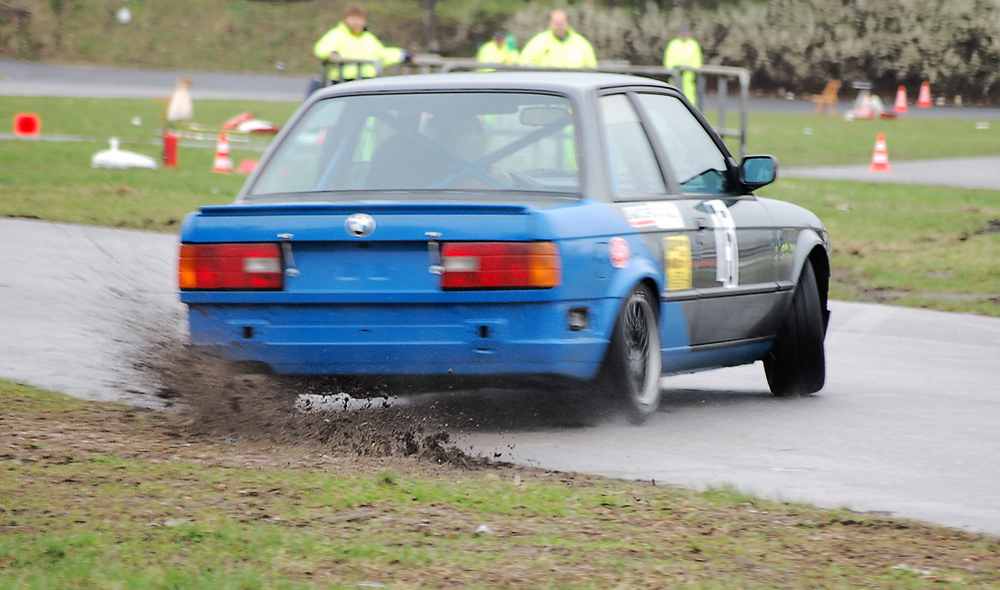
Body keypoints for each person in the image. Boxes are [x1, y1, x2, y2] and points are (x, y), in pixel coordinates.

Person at [311, 5, 410, 88]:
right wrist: (331, 53)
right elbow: (321, 47)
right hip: (343, 80)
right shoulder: (337, 34)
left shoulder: (369, 38)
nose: (356, 22)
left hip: (366, 81)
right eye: (353, 19)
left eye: (359, 19)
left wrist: (402, 55)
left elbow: (382, 54)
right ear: (346, 20)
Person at [519, 9, 597, 69]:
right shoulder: (538, 42)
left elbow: (591, 67)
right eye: (556, 23)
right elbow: (525, 62)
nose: (559, 26)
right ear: (550, 23)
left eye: (561, 23)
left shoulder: (581, 43)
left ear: (567, 23)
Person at [663, 26, 703, 104]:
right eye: (682, 34)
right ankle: (673, 104)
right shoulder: (674, 44)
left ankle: (689, 106)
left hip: (689, 72)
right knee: (674, 89)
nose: (683, 36)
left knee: (689, 91)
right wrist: (670, 68)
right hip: (675, 72)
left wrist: (695, 68)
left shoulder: (693, 44)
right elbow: (669, 57)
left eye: (685, 34)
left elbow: (696, 58)